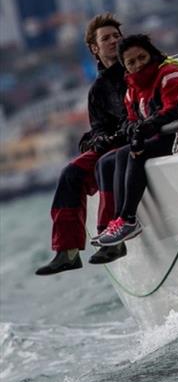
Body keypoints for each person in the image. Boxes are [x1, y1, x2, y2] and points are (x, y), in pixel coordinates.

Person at [36, 14, 129, 275]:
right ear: (94, 48)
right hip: (112, 145)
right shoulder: (97, 89)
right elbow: (99, 127)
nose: (113, 41)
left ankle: (111, 239)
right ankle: (67, 251)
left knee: (106, 165)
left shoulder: (137, 67)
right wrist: (98, 139)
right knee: (70, 173)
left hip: (137, 142)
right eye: (106, 38)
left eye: (116, 36)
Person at [93, 34, 178, 246]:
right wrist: (129, 131)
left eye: (142, 58)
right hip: (159, 139)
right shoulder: (131, 89)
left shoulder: (168, 75)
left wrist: (143, 128)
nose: (138, 65)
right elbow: (131, 120)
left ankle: (127, 219)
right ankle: (118, 220)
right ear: (125, 67)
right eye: (131, 62)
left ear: (152, 54)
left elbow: (173, 111)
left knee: (132, 152)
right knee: (116, 156)